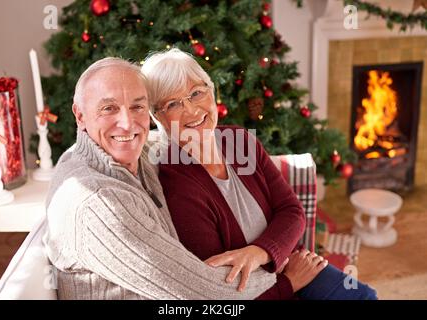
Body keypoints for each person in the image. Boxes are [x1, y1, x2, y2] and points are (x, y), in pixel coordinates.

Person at [141, 48, 378, 300]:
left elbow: (292, 210)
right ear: (158, 117)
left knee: (364, 297)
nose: (191, 110)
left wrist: (260, 252)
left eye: (196, 93)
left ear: (212, 92)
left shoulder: (239, 141)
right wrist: (289, 283)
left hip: (289, 262)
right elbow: (220, 296)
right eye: (172, 104)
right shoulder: (178, 187)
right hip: (267, 290)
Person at [43, 57, 279, 299]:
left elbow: (179, 134)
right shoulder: (98, 204)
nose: (127, 124)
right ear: (80, 115)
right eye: (109, 108)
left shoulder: (133, 154)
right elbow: (203, 294)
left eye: (137, 107)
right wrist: (281, 270)